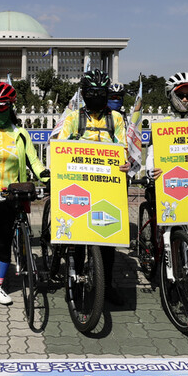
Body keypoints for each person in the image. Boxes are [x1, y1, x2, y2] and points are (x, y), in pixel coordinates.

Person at [0, 81, 48, 313]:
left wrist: (45, 175)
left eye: (1, 108)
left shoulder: (20, 134)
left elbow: (34, 160)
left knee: (4, 246)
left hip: (11, 198)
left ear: (11, 107)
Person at [57, 69, 131, 306]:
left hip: (108, 186)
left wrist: (126, 163)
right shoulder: (73, 118)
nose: (97, 96)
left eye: (101, 93)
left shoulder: (116, 119)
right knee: (78, 239)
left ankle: (107, 285)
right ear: (84, 93)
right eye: (92, 92)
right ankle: (77, 280)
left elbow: (123, 148)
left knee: (107, 240)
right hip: (79, 185)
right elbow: (61, 147)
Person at [146, 72, 188, 291]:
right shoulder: (161, 125)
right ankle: (172, 280)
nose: (185, 99)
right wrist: (150, 170)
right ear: (170, 95)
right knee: (173, 237)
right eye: (180, 94)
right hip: (172, 188)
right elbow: (151, 154)